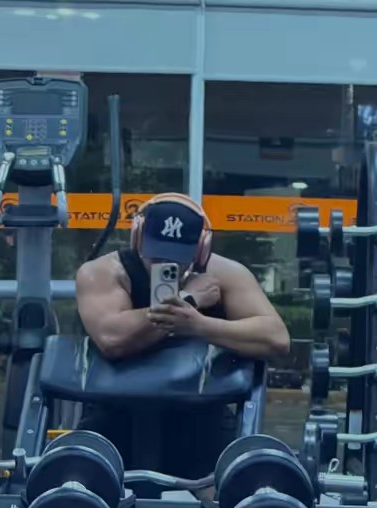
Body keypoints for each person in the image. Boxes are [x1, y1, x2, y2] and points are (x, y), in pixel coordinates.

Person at [75, 192, 290, 482]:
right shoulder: (103, 272)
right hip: (116, 411)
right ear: (137, 239)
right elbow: (112, 339)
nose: (166, 264)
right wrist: (188, 299)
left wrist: (200, 325)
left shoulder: (225, 275)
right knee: (82, 491)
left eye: (177, 257)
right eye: (156, 254)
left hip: (199, 414)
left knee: (229, 492)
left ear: (201, 250)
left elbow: (276, 339)